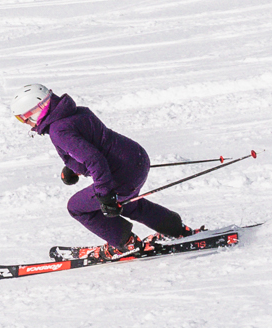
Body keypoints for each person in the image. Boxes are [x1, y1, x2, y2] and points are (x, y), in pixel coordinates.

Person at [11, 83, 194, 260]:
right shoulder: (75, 111)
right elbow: (92, 145)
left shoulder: (59, 130)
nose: (25, 122)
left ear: (36, 110)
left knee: (77, 208)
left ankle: (126, 243)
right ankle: (177, 229)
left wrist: (105, 196)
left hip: (121, 173)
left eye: (22, 117)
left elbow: (95, 160)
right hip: (136, 158)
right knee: (130, 204)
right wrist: (73, 167)